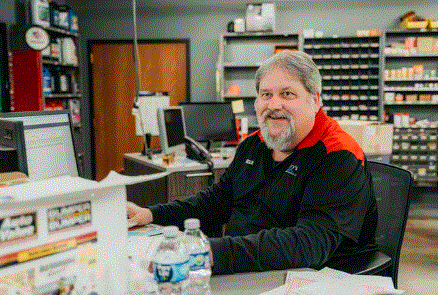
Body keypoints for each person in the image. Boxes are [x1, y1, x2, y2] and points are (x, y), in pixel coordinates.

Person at [127, 50, 378, 275]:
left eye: (287, 94)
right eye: (265, 94)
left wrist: (214, 252)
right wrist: (151, 213)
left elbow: (310, 244)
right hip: (250, 268)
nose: (273, 105)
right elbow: (216, 200)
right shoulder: (254, 144)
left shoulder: (337, 155)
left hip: (311, 277)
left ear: (315, 100)